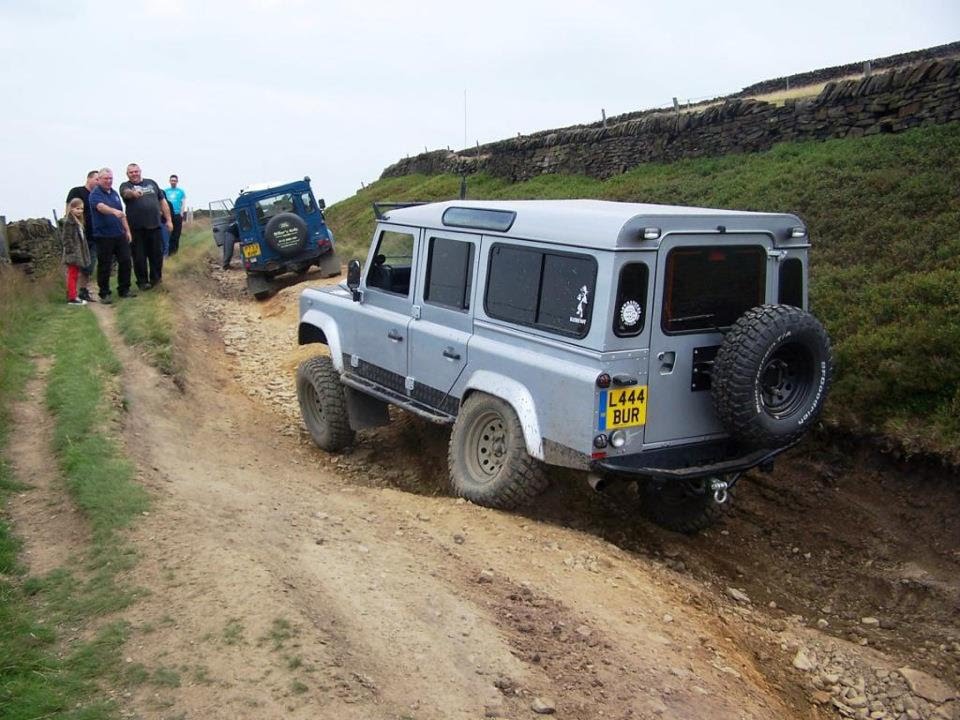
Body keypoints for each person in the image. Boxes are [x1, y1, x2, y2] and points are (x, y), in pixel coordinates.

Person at [119, 163, 171, 291]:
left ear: (140, 171)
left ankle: (156, 280)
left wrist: (169, 220)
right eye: (131, 172)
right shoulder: (125, 186)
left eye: (136, 171)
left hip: (155, 225)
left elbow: (162, 201)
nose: (134, 174)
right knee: (139, 257)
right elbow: (126, 193)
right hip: (137, 228)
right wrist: (133, 193)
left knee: (157, 256)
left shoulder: (151, 183)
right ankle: (143, 282)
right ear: (127, 174)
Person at [89, 167, 134, 304]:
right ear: (99, 180)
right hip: (103, 235)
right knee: (105, 265)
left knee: (126, 261)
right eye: (105, 179)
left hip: (119, 234)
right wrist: (113, 211)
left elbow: (122, 214)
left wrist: (127, 230)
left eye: (110, 179)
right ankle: (104, 293)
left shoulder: (114, 193)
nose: (108, 181)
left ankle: (124, 289)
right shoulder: (95, 194)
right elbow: (100, 207)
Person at [65, 170, 99, 302]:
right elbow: (69, 208)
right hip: (79, 236)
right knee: (75, 266)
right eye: (97, 179)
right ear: (89, 178)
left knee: (88, 266)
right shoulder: (77, 191)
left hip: (93, 235)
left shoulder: (98, 195)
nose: (98, 182)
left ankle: (83, 291)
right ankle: (72, 293)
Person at [61, 198, 92, 306]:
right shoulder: (69, 222)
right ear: (71, 209)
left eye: (81, 209)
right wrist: (71, 251)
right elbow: (66, 238)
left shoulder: (78, 221)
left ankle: (73, 294)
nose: (79, 211)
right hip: (73, 254)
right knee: (72, 275)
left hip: (78, 253)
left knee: (75, 275)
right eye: (77, 208)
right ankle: (72, 297)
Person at [163, 174, 186, 256]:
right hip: (168, 215)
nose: (173, 182)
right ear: (169, 181)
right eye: (172, 180)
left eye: (174, 181)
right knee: (168, 234)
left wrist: (181, 213)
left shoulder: (181, 191)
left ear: (177, 181)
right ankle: (167, 253)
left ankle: (174, 253)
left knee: (176, 234)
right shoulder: (165, 191)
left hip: (177, 215)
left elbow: (183, 202)